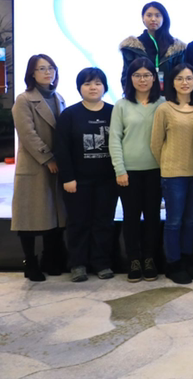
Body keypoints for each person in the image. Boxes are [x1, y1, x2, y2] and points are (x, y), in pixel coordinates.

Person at [54, 68, 117, 282]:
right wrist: (68, 178)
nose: (93, 87)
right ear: (79, 87)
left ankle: (102, 263)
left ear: (104, 87)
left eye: (98, 83)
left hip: (108, 180)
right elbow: (61, 149)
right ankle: (77, 264)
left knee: (104, 222)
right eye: (87, 83)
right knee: (78, 222)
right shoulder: (69, 115)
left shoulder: (113, 112)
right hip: (77, 181)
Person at [12, 55, 67, 281]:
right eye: (42, 68)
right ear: (32, 74)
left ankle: (49, 259)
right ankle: (30, 262)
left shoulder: (59, 98)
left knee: (52, 215)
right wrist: (48, 158)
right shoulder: (24, 100)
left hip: (57, 165)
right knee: (29, 216)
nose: (47, 72)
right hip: (35, 166)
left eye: (50, 68)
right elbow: (28, 135)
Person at [110, 57, 164, 282]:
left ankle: (149, 259)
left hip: (156, 170)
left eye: (147, 75)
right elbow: (114, 139)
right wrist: (120, 170)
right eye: (137, 75)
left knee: (152, 217)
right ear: (130, 78)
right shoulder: (121, 105)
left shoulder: (163, 104)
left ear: (154, 78)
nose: (142, 80)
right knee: (131, 217)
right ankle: (133, 259)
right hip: (129, 172)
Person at [151, 63, 193, 285]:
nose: (185, 82)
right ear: (172, 82)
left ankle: (188, 259)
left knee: (191, 220)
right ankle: (173, 263)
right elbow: (156, 144)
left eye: (189, 78)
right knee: (174, 221)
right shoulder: (164, 109)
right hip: (173, 175)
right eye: (180, 78)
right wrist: (168, 165)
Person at [119, 1, 186, 90]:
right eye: (149, 15)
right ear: (143, 18)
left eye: (157, 16)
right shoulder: (132, 47)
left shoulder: (176, 47)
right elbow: (126, 77)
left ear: (164, 18)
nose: (153, 19)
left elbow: (181, 76)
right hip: (141, 96)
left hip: (169, 96)